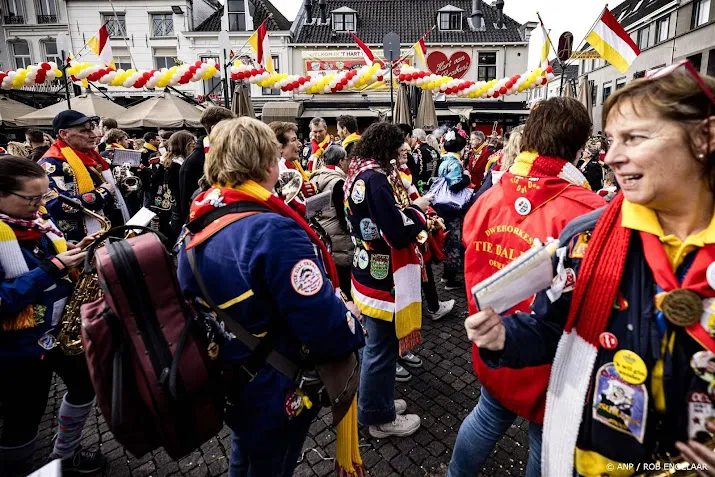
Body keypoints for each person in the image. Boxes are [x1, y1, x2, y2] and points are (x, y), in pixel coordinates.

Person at [464, 64, 715, 477]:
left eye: (633, 138)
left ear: (704, 137)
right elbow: (551, 325)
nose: (611, 155)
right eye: (611, 140)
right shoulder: (587, 233)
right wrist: (504, 337)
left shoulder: (502, 195)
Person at [176, 117, 365, 476]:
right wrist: (352, 321)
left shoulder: (198, 219)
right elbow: (322, 325)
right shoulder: (272, 229)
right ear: (267, 163)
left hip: (230, 373)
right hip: (274, 383)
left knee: (244, 454)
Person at [450, 97, 605, 477]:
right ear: (578, 146)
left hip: (494, 339)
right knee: (544, 439)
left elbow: (469, 242)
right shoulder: (587, 210)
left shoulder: (491, 195)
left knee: (487, 415)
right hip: (548, 358)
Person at [0, 157, 106, 476]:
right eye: (31, 199)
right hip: (17, 347)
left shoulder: (37, 224)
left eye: (42, 198)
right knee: (23, 419)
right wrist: (54, 267)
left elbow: (45, 256)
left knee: (86, 386)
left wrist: (74, 249)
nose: (39, 206)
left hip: (58, 332)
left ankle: (64, 456)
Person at [345, 122, 430, 438]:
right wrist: (418, 211)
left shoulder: (358, 175)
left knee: (374, 347)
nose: (403, 151)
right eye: (399, 147)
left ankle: (375, 402)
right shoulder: (378, 181)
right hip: (383, 278)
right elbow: (396, 233)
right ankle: (379, 418)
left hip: (366, 269)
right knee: (381, 349)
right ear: (387, 149)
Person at [38, 111, 129, 242]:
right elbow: (55, 206)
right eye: (84, 131)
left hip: (107, 233)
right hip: (78, 242)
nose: (94, 135)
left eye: (92, 130)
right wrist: (103, 193)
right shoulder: (50, 163)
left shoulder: (89, 157)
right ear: (64, 134)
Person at [177, 106, 235, 227]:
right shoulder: (194, 162)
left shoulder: (229, 154)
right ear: (215, 128)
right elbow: (187, 208)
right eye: (231, 126)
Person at [309, 145, 353, 293]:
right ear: (341, 162)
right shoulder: (338, 182)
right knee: (344, 283)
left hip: (323, 234)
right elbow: (344, 215)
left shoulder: (315, 176)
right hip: (340, 239)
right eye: (346, 160)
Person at [435, 128, 471, 290]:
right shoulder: (455, 162)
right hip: (453, 207)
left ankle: (445, 274)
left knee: (447, 239)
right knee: (454, 241)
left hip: (442, 206)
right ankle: (450, 278)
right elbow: (455, 184)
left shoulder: (443, 160)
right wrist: (466, 177)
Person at [153, 131, 195, 244]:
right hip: (178, 214)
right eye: (192, 144)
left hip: (174, 212)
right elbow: (180, 193)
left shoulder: (171, 162)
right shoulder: (177, 166)